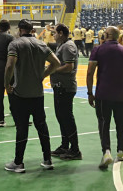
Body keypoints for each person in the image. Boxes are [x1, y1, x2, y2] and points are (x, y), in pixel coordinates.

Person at [3, 19, 61, 173]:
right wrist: (43, 75)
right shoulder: (41, 44)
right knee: (42, 126)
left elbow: (10, 65)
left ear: (20, 30)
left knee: (22, 128)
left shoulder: (15, 44)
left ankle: (18, 163)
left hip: (21, 94)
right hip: (37, 94)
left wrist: (6, 84)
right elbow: (56, 63)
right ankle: (47, 159)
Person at [87, 26, 123, 168]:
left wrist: (90, 93)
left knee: (103, 123)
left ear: (106, 35)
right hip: (121, 94)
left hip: (103, 94)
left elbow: (90, 73)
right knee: (122, 123)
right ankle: (121, 151)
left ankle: (106, 151)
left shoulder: (98, 50)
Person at [51, 24, 81, 161]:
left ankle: (75, 149)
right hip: (59, 86)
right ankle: (65, 145)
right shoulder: (62, 45)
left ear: (61, 33)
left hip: (65, 86)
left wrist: (52, 70)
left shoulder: (68, 46)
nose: (54, 36)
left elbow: (69, 67)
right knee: (61, 117)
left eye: (55, 33)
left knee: (67, 118)